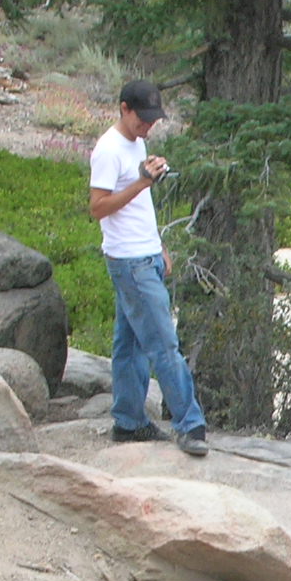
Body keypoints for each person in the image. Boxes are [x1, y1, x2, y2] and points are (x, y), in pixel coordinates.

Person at [88, 79, 209, 457]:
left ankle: (128, 421)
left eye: (153, 120)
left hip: (146, 254)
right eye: (142, 119)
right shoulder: (108, 149)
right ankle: (190, 424)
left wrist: (160, 246)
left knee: (129, 345)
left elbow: (140, 207)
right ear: (124, 108)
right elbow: (98, 207)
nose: (148, 126)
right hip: (129, 261)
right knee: (163, 344)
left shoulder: (137, 143)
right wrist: (142, 182)